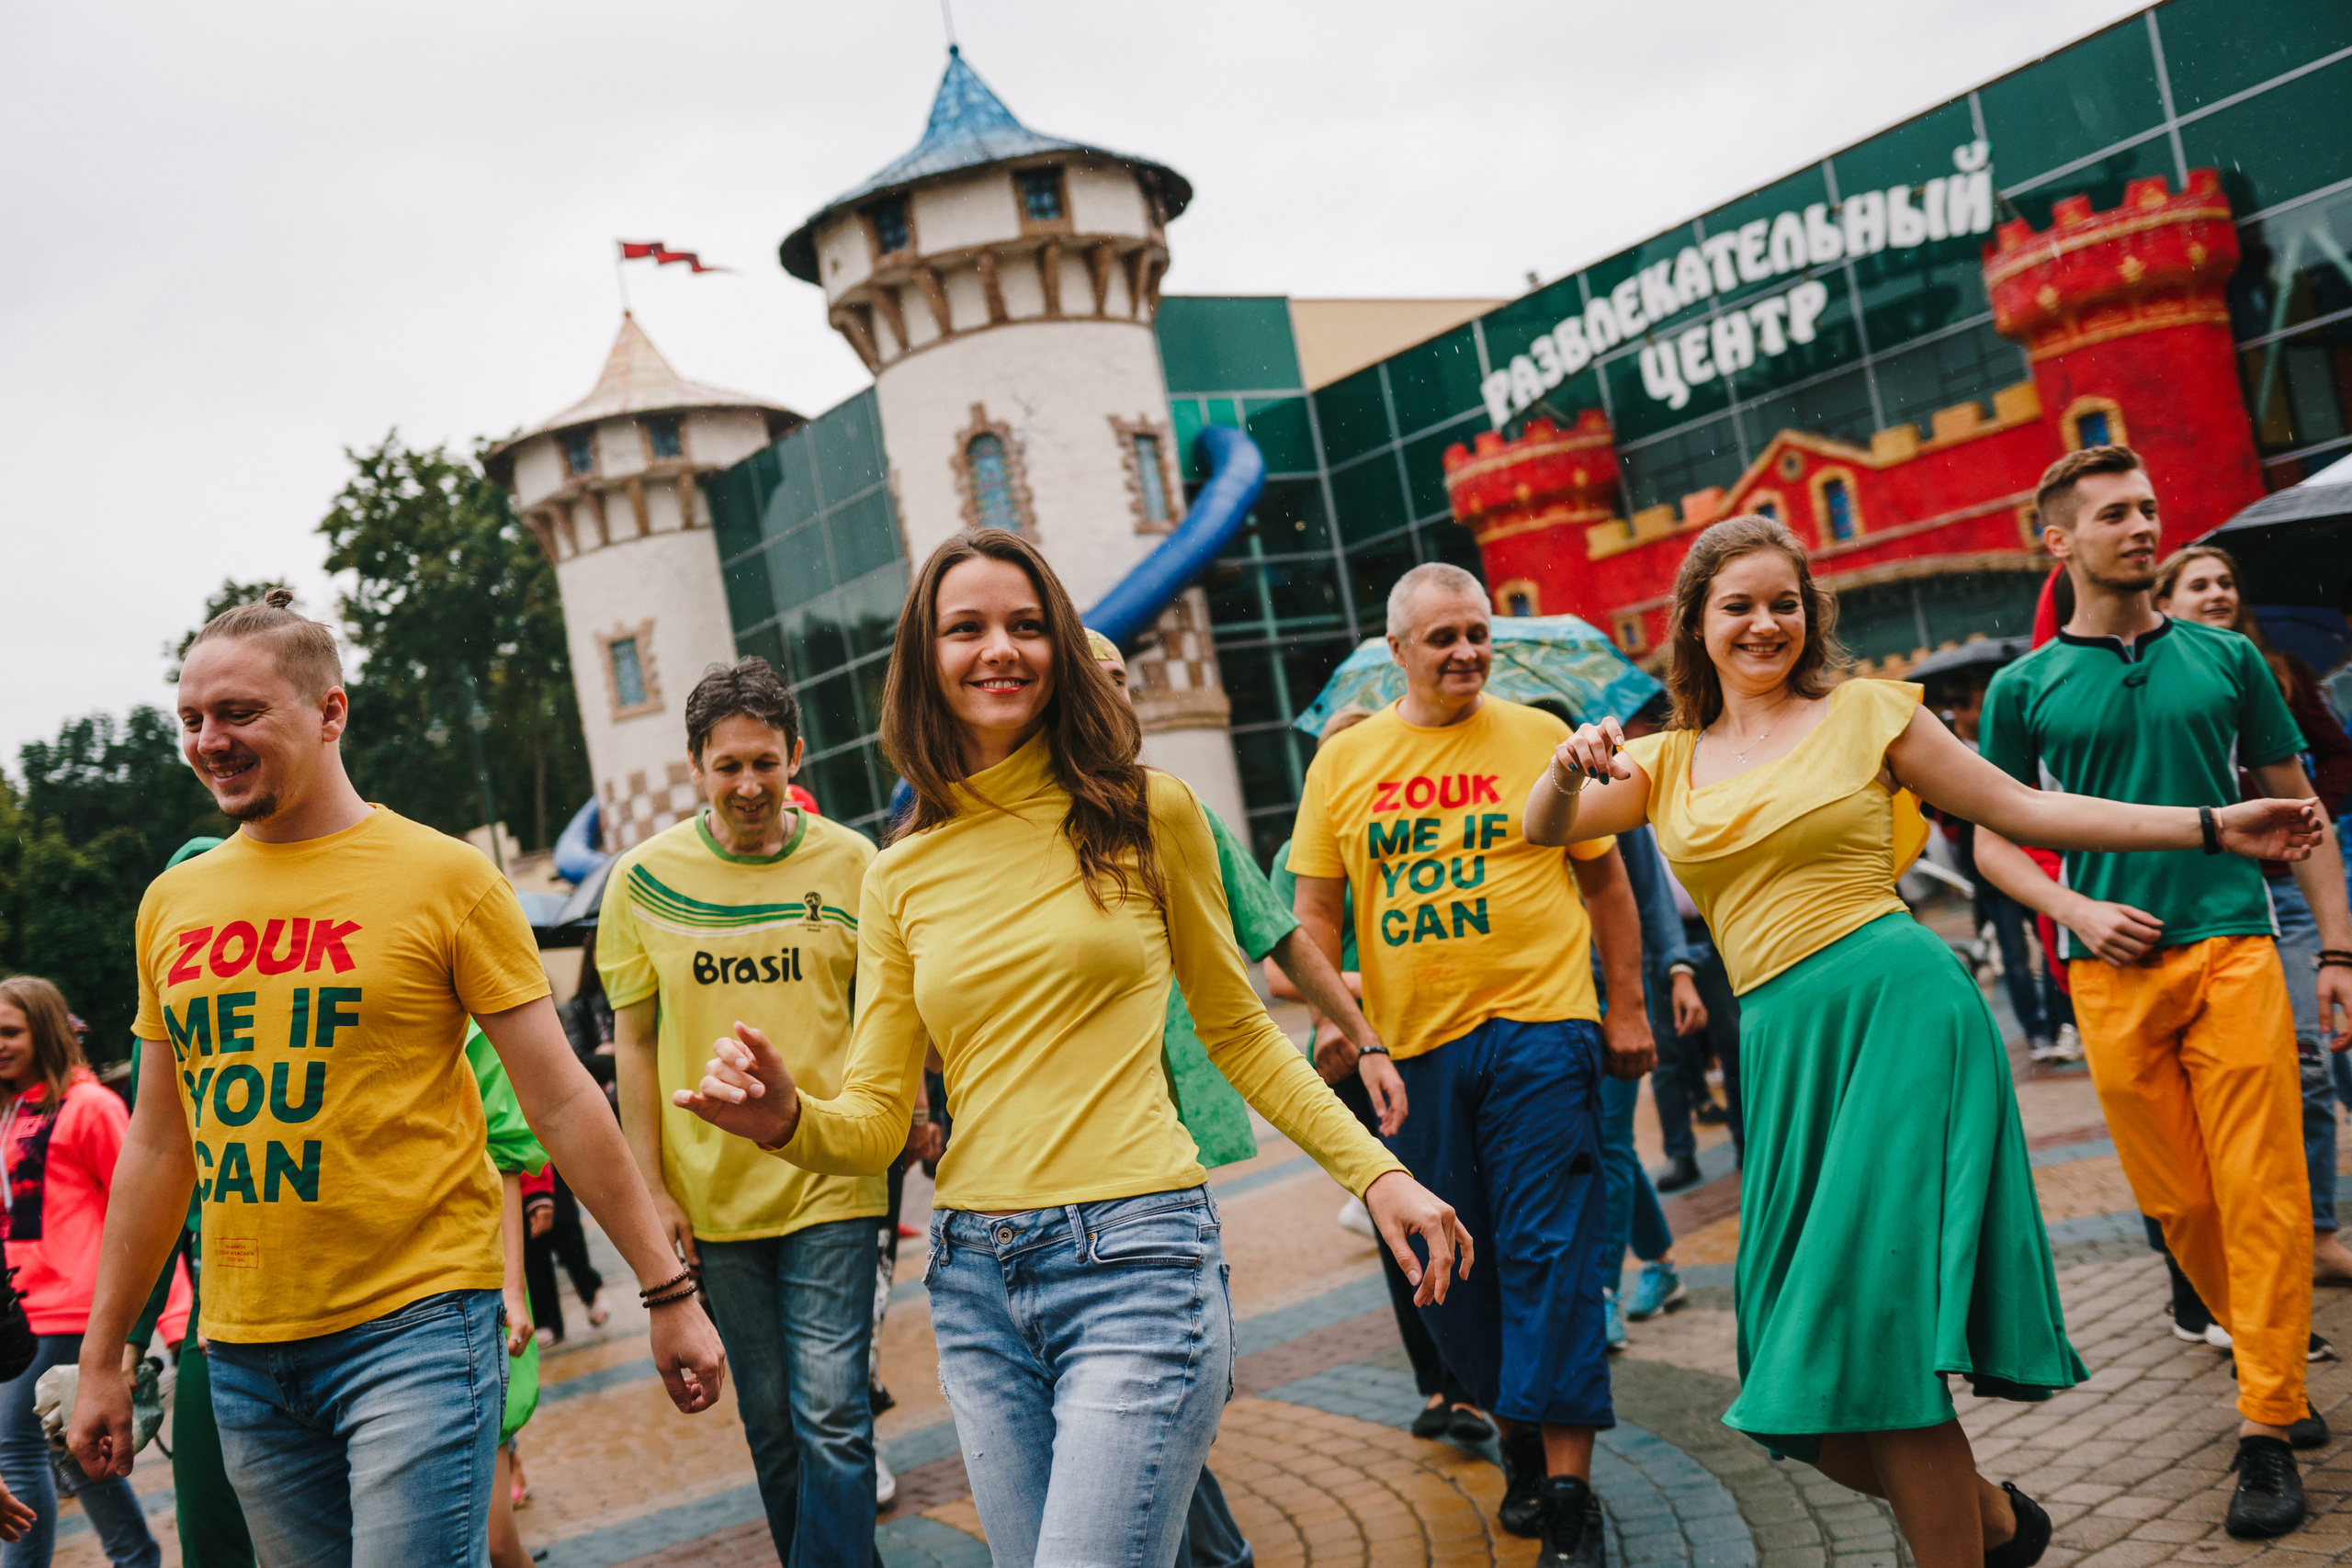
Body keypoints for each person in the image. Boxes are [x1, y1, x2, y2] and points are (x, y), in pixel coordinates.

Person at [1532, 508, 2331, 1562]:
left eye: (1784, 604)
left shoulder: (1870, 713)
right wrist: (1565, 761)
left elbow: (2023, 811)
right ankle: (1995, 1522)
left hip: (1898, 1015)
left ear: (1809, 617)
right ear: (1695, 623)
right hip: (1781, 1049)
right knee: (1795, 1386)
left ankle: (1973, 1540)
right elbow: (1545, 830)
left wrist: (2208, 824)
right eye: (1739, 607)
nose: (1763, 625)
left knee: (1883, 1352)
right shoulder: (1664, 762)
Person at [674, 527, 1467, 1568]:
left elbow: (1239, 1033)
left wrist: (1378, 1176)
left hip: (1138, 1261)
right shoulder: (898, 873)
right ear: (926, 660)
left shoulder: (1149, 812)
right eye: (966, 628)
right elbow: (875, 1123)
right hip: (973, 1283)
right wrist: (783, 1119)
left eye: (1025, 624)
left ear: (1058, 649)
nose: (998, 649)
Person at [67, 589, 729, 1568]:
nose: (210, 741)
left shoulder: (444, 878)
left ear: (331, 712)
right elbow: (162, 1143)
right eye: (193, 719)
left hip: (415, 1331)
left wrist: (667, 1291)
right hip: (244, 1349)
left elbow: (556, 1098)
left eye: (240, 713)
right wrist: (102, 1359)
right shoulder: (173, 903)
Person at [1973, 448, 2352, 1538]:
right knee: (2182, 1205)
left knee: (2264, 1187)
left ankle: (2267, 1424)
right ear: (2058, 541)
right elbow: (1996, 843)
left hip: (2233, 943)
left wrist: (2334, 952)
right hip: (2108, 971)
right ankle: (2268, 1355)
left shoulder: (2226, 660)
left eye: (2147, 507)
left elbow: (2297, 813)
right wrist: (2075, 912)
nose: (2141, 526)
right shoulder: (2022, 689)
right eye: (2112, 514)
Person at [1287, 561, 1654, 1568]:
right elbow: (1313, 910)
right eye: (1442, 637)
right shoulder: (1345, 764)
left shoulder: (1542, 738)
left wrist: (1624, 1006)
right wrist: (1334, 1019)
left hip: (1543, 1030)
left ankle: (1570, 1487)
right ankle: (1518, 1438)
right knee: (1450, 1267)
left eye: (1477, 634)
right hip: (1410, 1053)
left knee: (1554, 1248)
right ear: (1396, 651)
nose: (1464, 653)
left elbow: (1608, 887)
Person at [1087, 633, 1402, 1568]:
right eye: (1091, 680)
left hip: (1177, 1115)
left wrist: (1363, 1033)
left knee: (1176, 1378)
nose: (1112, 695)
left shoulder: (1169, 809)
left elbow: (1281, 936)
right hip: (1079, 1141)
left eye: (1120, 679)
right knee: (1159, 1385)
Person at [599, 657, 891, 1565]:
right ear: (696, 766)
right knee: (769, 1423)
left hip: (833, 1182)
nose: (749, 784)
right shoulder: (642, 881)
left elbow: (887, 1021)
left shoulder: (855, 865)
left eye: (765, 762)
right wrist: (651, 1193)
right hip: (715, 1200)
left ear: (794, 755)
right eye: (728, 766)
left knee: (834, 1415)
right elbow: (634, 1049)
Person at [1266, 707, 1492, 1447]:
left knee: (1457, 1205)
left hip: (1434, 1043)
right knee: (1399, 1216)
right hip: (1354, 1060)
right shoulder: (1303, 844)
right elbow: (1280, 969)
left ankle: (1477, 1376)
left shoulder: (1414, 821)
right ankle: (1445, 1384)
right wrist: (1376, 987)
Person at [2154, 543, 2352, 1284]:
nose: (2217, 593)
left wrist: (2303, 815)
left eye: (2226, 583)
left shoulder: (2272, 673)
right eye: (2199, 583)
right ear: (2165, 600)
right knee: (2217, 1087)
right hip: (2202, 896)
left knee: (2308, 1065)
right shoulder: (2156, 684)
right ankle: (2236, 1251)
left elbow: (2335, 761)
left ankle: (2317, 1233)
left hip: (2282, 888)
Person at [0, 977, 159, 1568]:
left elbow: (143, 1208)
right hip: (17, 1310)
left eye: (11, 1032)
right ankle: (138, 1556)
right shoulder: (6, 1114)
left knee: (15, 1447)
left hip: (75, 1305)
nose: (0, 1044)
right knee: (77, 1451)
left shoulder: (90, 1105)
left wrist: (155, 1314)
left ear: (44, 1031)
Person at [1936, 672, 2075, 1065]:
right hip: (1989, 871)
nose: (1988, 711)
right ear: (1960, 709)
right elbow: (1939, 813)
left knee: (2051, 943)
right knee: (2013, 954)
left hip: (2034, 855)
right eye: (1980, 704)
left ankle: (2063, 1022)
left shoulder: (2012, 740)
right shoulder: (1945, 751)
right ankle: (2036, 1032)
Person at [1606, 826, 1697, 1334]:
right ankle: (1660, 1265)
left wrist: (1678, 970)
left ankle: (1601, 1290)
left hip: (1617, 993)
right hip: (1546, 996)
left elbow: (1649, 888)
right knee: (1608, 1144)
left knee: (1606, 1141)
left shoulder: (1604, 772)